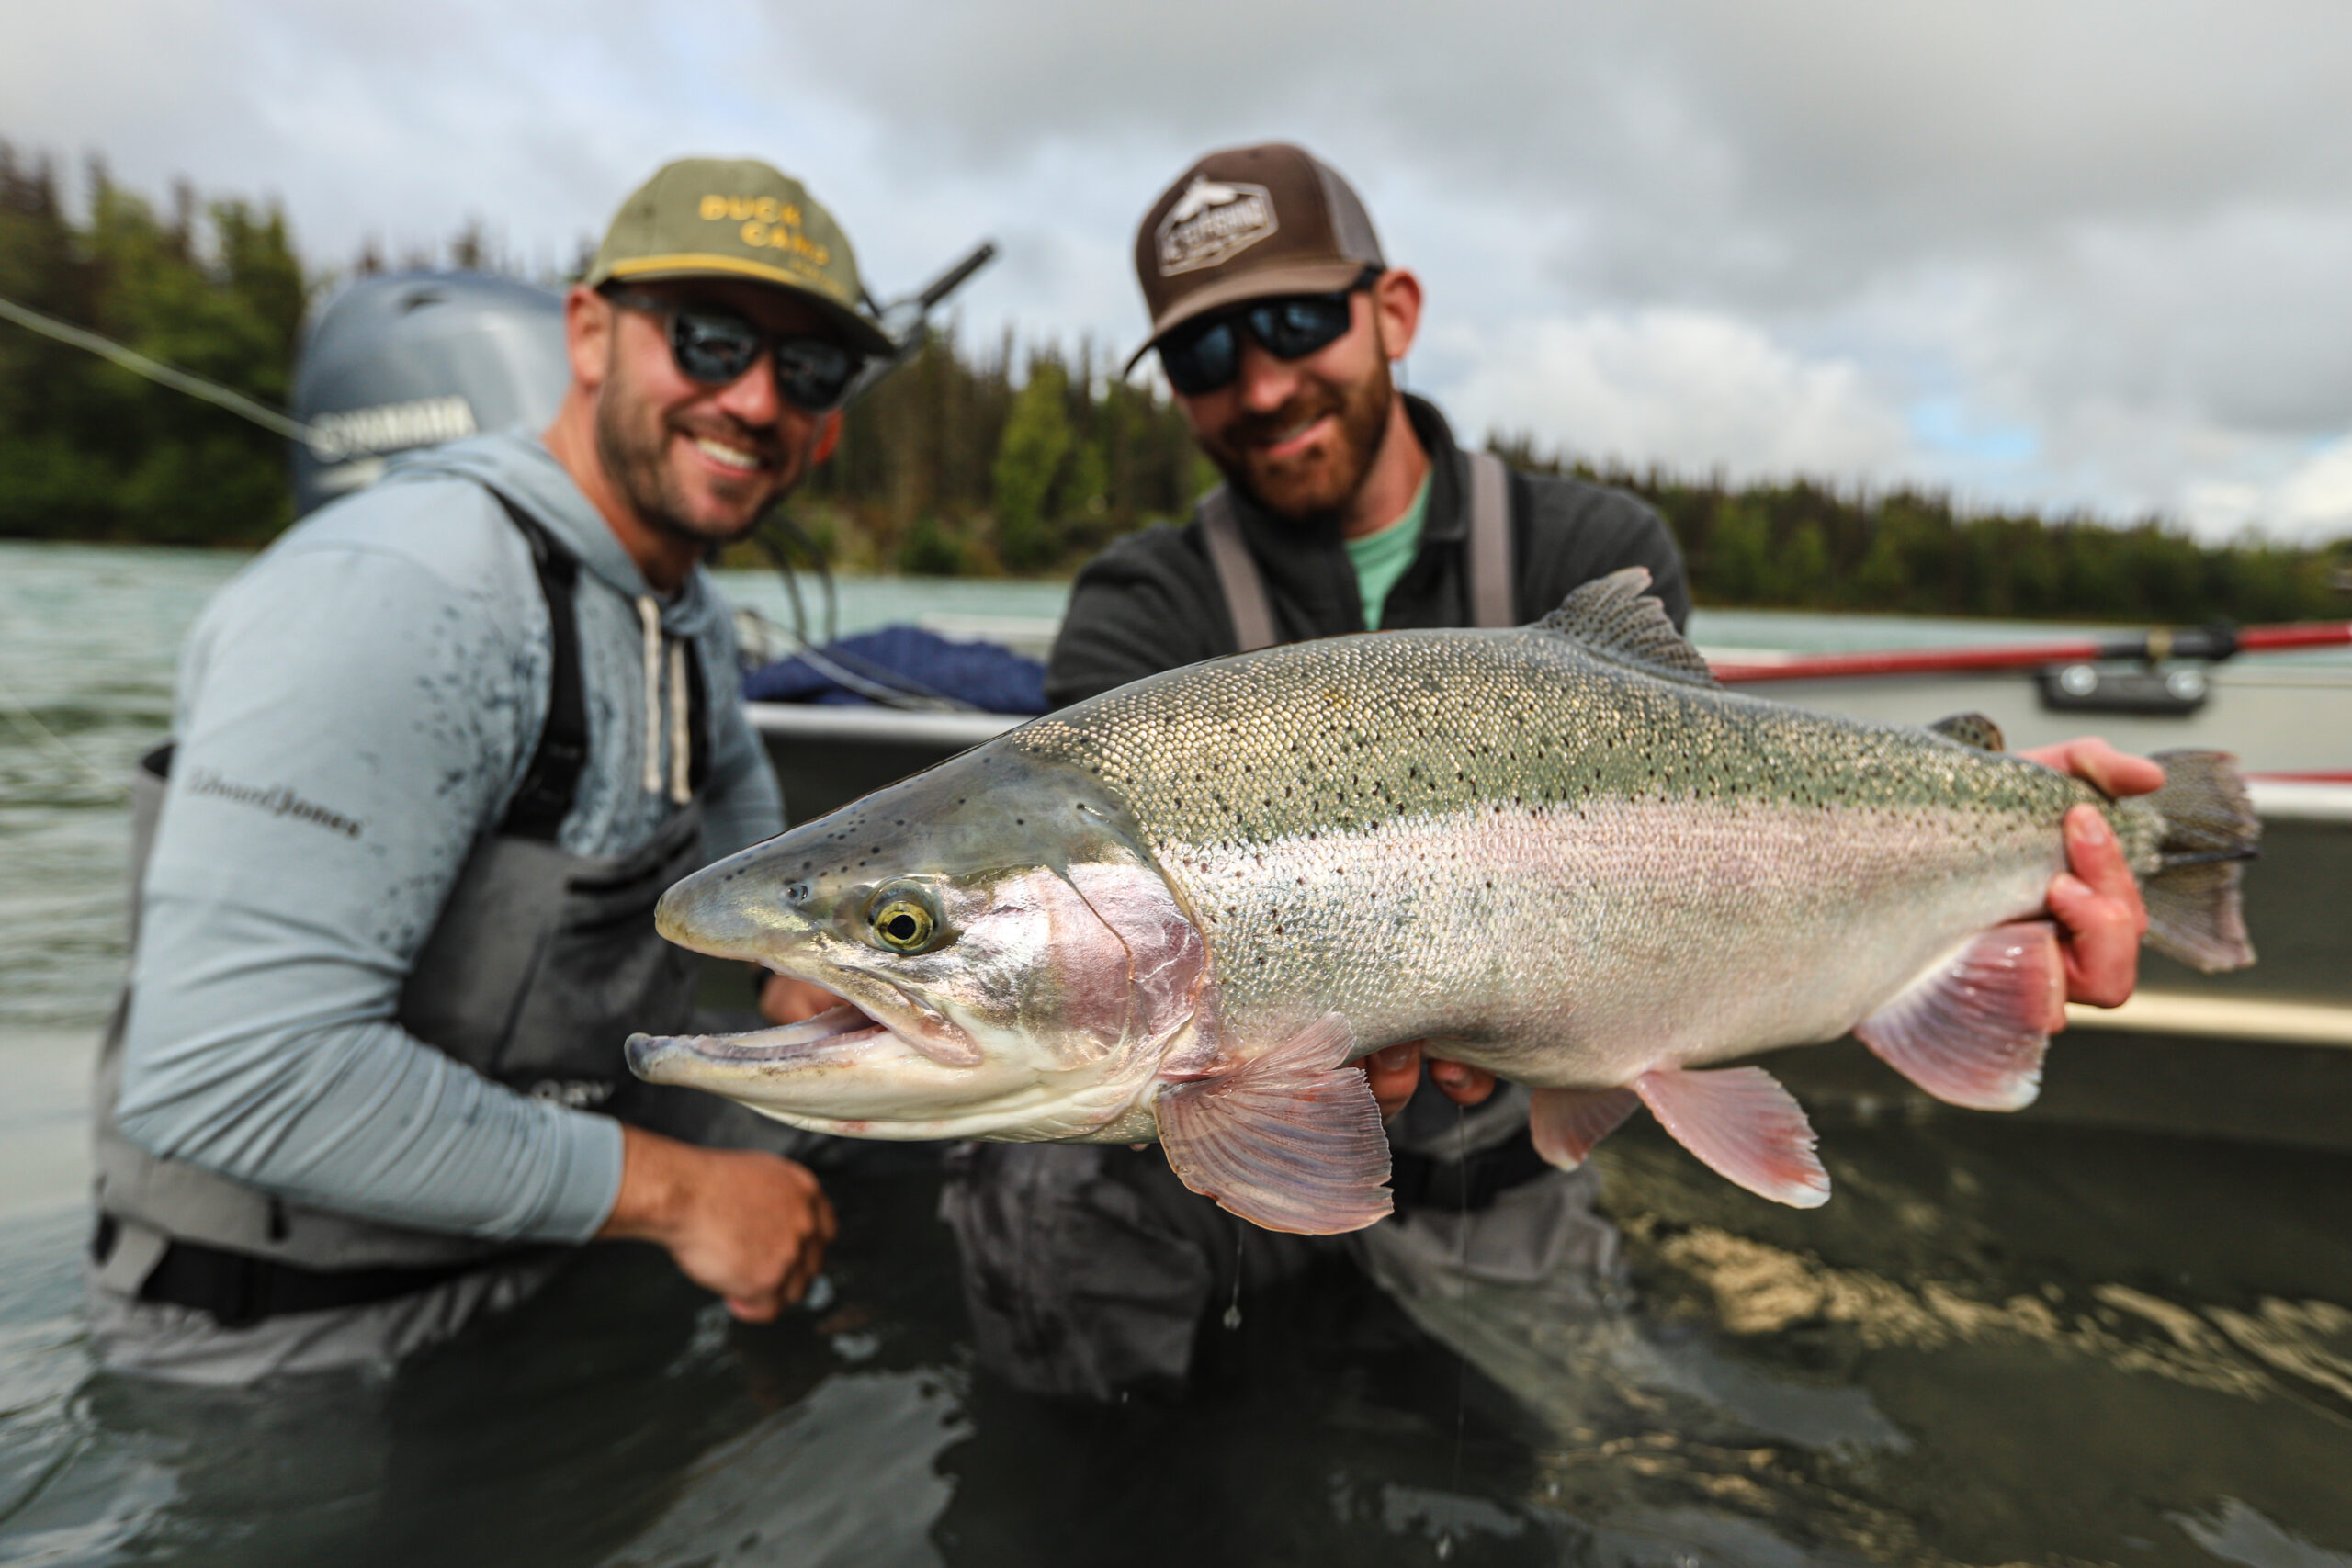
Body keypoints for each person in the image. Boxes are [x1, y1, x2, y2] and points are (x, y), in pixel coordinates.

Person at [942, 141, 2157, 1403]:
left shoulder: (1591, 548)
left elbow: (1731, 842)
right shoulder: (1140, 609)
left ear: (1392, 310)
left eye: (1295, 321)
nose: (1257, 383)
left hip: (1505, 1160)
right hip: (1209, 1153)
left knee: (1573, 1441)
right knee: (1030, 1202)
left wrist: (2014, 832)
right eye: (1203, 355)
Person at [87, 156, 886, 1382]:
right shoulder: (405, 592)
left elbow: (762, 932)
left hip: (529, 1265)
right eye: (711, 341)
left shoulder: (690, 619)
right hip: (285, 1350)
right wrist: (683, 1199)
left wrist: (840, 992)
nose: (757, 400)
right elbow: (222, 1073)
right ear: (586, 334)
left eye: (809, 370)